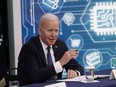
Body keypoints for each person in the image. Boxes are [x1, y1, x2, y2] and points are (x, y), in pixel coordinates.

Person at [18, 13, 84, 86]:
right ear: (40, 31)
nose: (54, 35)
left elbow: (77, 67)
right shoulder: (29, 48)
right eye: (50, 30)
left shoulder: (60, 45)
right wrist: (60, 63)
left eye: (56, 31)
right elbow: (35, 76)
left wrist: (75, 72)